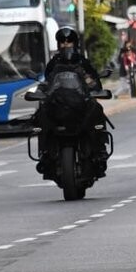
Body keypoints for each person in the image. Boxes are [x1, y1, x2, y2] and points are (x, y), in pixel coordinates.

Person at [35, 27, 107, 176]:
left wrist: (93, 85)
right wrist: (41, 92)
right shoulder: (54, 62)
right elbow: (46, 81)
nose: (65, 44)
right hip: (58, 104)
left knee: (97, 109)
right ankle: (45, 154)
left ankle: (100, 149)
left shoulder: (82, 61)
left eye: (69, 41)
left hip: (80, 103)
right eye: (62, 41)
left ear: (75, 43)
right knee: (40, 114)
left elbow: (95, 81)